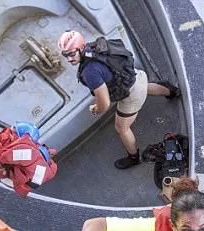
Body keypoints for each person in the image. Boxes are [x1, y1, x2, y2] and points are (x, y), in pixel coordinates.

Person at [57, 30, 180, 170]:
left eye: (72, 54)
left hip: (131, 94)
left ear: (80, 48)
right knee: (143, 87)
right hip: (136, 76)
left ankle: (134, 157)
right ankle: (171, 91)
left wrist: (96, 108)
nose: (69, 59)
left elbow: (104, 103)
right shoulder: (95, 47)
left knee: (122, 128)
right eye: (65, 55)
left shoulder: (89, 72)